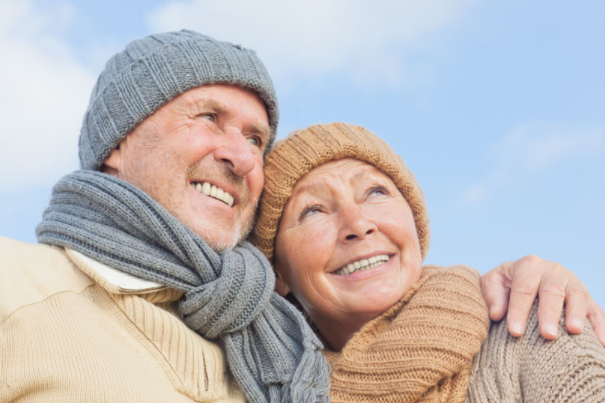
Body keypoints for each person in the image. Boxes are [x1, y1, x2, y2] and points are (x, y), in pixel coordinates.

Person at [0, 30, 602, 402]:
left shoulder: (259, 354)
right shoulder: (16, 288)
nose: (238, 154)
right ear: (117, 141)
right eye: (207, 117)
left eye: (256, 138)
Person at [251, 122, 605, 402]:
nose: (358, 225)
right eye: (313, 210)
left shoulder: (533, 324)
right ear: (277, 272)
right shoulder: (249, 385)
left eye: (375, 192)